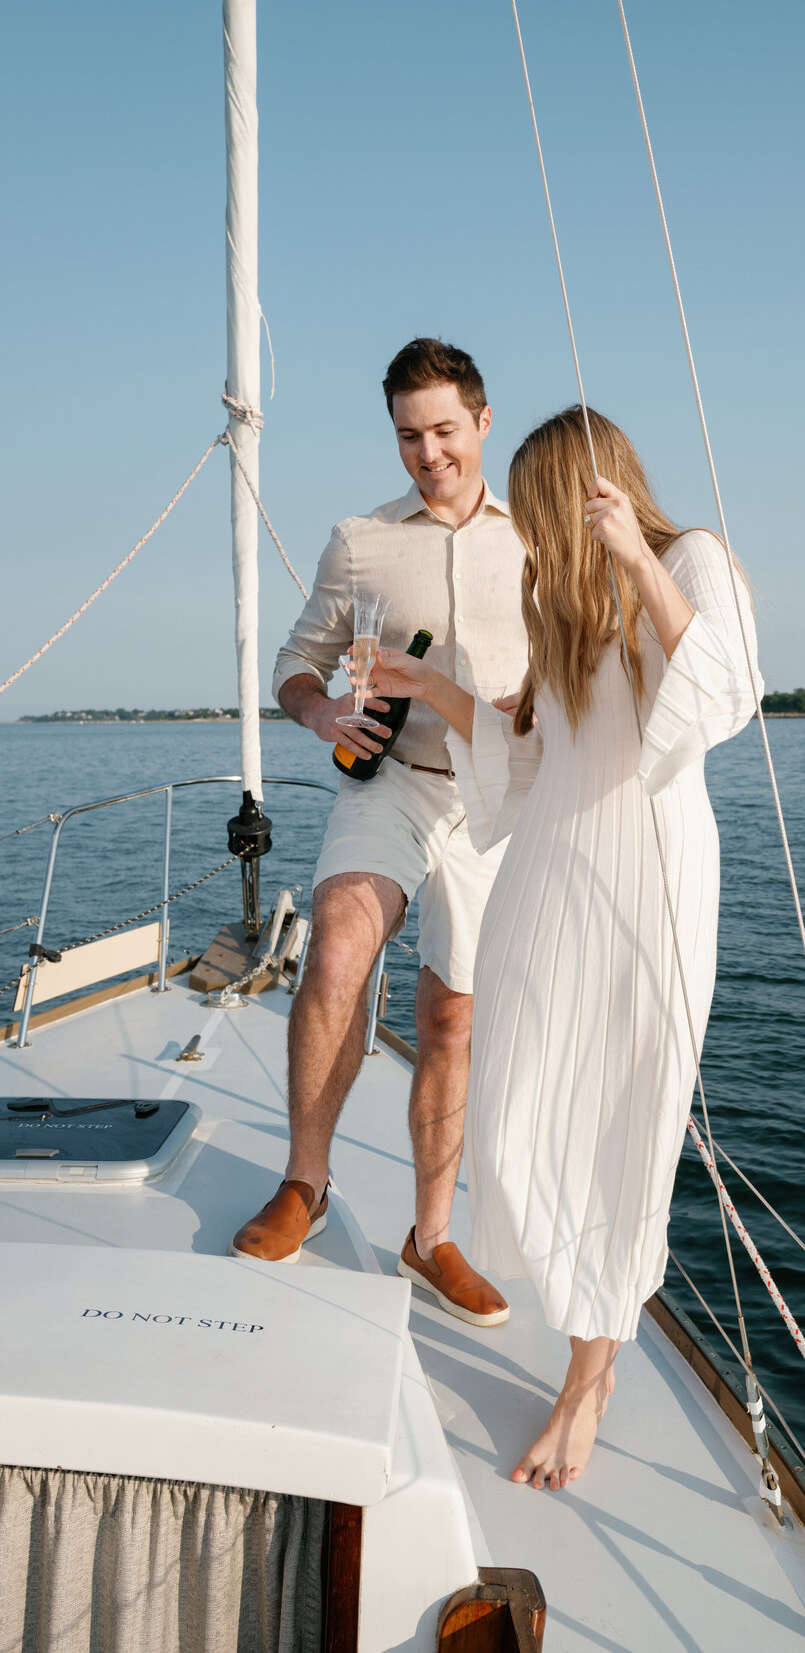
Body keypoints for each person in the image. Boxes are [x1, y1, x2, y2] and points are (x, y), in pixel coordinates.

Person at [369, 404, 761, 1489]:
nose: (531, 536)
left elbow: (722, 690)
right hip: (550, 876)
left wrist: (638, 557)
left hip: (651, 881)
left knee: (623, 1123)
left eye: (537, 508)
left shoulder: (690, 556)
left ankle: (588, 1379)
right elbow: (530, 753)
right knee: (514, 1104)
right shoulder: (559, 602)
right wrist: (428, 688)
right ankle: (583, 1337)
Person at [228, 338, 528, 1331]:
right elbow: (295, 664)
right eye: (409, 436)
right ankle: (303, 1185)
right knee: (337, 947)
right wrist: (319, 715)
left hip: (493, 804)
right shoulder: (360, 540)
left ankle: (430, 1237)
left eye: (445, 430)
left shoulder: (536, 540)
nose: (429, 452)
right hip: (386, 783)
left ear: (483, 423)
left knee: (451, 1020)